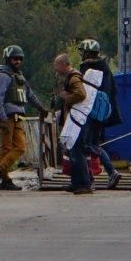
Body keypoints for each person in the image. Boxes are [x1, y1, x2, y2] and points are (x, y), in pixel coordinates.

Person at [0, 45, 44, 189]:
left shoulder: (19, 77)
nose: (18, 61)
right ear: (8, 59)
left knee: (20, 147)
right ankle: (4, 178)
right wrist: (0, 116)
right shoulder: (3, 76)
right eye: (15, 58)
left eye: (20, 59)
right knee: (6, 148)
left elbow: (29, 94)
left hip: (18, 115)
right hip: (7, 116)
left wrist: (40, 107)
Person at [76, 39, 121, 189]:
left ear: (88, 52)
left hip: (89, 111)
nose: (81, 54)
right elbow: (113, 91)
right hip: (102, 113)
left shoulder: (88, 69)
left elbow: (82, 92)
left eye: (83, 51)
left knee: (83, 146)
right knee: (94, 144)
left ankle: (90, 178)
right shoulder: (106, 68)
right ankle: (110, 172)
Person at [52, 53, 95, 194]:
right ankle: (76, 183)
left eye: (57, 65)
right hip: (75, 120)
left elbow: (81, 94)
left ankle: (85, 184)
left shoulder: (74, 78)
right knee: (72, 151)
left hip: (77, 121)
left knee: (77, 151)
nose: (55, 69)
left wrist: (67, 98)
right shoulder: (72, 76)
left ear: (64, 64)